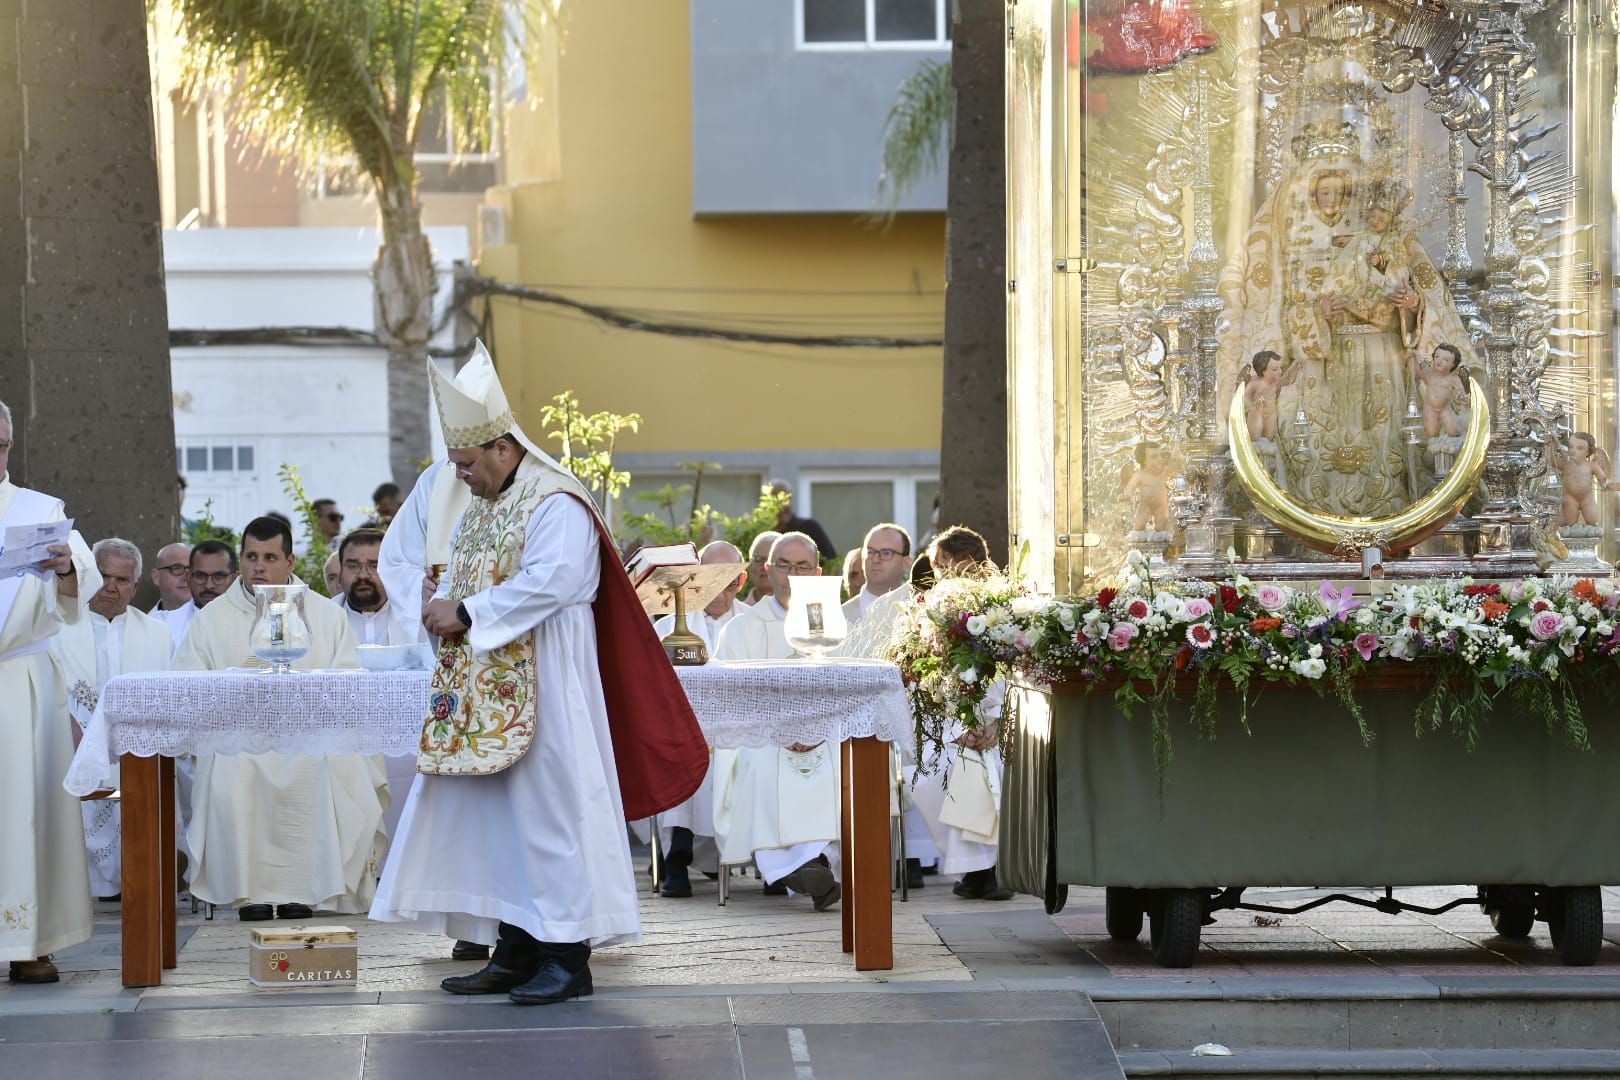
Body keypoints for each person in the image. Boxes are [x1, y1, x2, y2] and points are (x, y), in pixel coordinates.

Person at [370, 345, 707, 1007]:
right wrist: (439, 604)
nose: (459, 476)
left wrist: (465, 610)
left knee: (552, 815)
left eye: (467, 464)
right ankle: (516, 948)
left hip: (548, 681)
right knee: (499, 819)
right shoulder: (486, 499)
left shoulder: (557, 501)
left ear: (502, 447)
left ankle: (566, 956)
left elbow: (554, 581)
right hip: (483, 691)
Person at [174, 516, 384, 921]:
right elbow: (189, 685)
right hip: (237, 742)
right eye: (251, 556)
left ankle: (304, 891)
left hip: (310, 740)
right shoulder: (212, 618)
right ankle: (248, 893)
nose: (259, 567)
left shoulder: (325, 615)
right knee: (232, 771)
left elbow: (347, 681)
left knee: (319, 768)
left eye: (270, 557)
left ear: (289, 560)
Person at [0, 399, 99, 985]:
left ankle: (29, 939)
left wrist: (65, 569)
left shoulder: (41, 509)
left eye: (2, 445)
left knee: (27, 807)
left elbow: (78, 585)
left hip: (20, 681)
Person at [374, 459, 482, 960]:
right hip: (454, 659)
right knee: (463, 789)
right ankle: (474, 921)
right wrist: (419, 590)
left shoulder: (538, 487)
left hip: (521, 662)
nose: (466, 467)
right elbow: (395, 557)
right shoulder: (438, 479)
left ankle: (534, 929)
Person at [711, 532, 842, 911]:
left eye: (802, 566)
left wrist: (813, 730)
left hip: (823, 734)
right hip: (763, 736)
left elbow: (847, 690)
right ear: (767, 571)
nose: (792, 573)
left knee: (838, 763)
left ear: (817, 573)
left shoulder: (832, 625)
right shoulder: (741, 629)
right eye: (783, 564)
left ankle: (806, 864)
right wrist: (779, 730)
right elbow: (730, 698)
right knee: (760, 764)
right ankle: (806, 865)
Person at [51, 538, 173, 900]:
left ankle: (134, 884)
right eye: (103, 575)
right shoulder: (57, 626)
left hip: (135, 754)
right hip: (70, 746)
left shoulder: (157, 634)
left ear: (136, 586)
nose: (110, 587)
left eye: (122, 580)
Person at [909, 526, 1013, 901]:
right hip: (945, 729)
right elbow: (919, 685)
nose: (948, 578)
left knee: (996, 766)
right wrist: (956, 728)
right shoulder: (920, 617)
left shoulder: (1006, 611)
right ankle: (978, 869)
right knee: (944, 769)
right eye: (942, 568)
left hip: (999, 725)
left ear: (981, 569)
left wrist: (998, 724)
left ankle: (990, 870)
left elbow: (1016, 677)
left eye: (959, 570)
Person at [645, 541, 749, 898]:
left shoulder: (754, 625)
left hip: (741, 730)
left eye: (729, 579)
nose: (719, 588)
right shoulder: (666, 629)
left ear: (741, 581)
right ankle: (678, 855)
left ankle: (776, 864)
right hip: (687, 731)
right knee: (686, 749)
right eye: (710, 577)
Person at [842, 523, 910, 626]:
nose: (875, 559)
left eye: (886, 553)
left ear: (906, 563)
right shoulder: (842, 617)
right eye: (870, 552)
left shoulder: (923, 611)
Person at [334, 528, 392, 645]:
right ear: (340, 573)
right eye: (353, 566)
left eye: (374, 566)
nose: (363, 576)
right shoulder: (321, 618)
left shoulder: (415, 617)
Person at [769, 480, 837, 559]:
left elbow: (831, 563)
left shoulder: (809, 527)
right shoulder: (761, 531)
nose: (782, 506)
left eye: (786, 499)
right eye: (775, 501)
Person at [147, 541, 196, 650]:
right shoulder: (141, 627)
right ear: (156, 577)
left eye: (191, 569)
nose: (186, 577)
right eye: (177, 569)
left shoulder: (209, 620)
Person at [187, 539, 238, 609]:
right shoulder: (168, 619)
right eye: (200, 576)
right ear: (188, 578)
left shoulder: (253, 619)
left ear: (235, 580)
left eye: (219, 576)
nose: (208, 586)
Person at [744, 530, 781, 603]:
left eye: (772, 560)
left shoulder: (805, 612)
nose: (765, 566)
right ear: (750, 566)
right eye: (759, 559)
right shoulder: (735, 613)